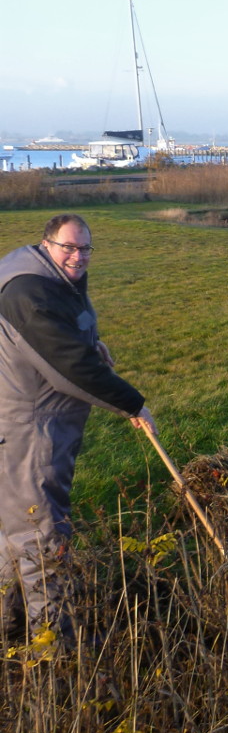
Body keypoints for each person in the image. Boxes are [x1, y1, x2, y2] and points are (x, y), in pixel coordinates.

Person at [0, 214, 155, 642]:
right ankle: (56, 651)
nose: (78, 256)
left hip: (41, 426)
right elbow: (67, 365)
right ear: (47, 243)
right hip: (31, 432)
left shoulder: (49, 279)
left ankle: (11, 635)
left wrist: (92, 342)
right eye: (68, 247)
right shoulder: (29, 293)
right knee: (42, 539)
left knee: (16, 536)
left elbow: (63, 338)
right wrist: (133, 405)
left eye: (85, 248)